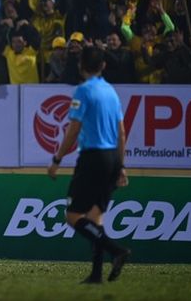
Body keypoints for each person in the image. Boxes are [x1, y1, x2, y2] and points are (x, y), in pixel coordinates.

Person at [47, 46, 131, 284]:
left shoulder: (83, 91)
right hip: (112, 157)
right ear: (103, 66)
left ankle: (116, 250)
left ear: (81, 65)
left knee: (73, 216)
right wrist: (121, 166)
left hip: (93, 157)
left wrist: (57, 160)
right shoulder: (111, 92)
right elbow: (122, 133)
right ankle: (96, 274)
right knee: (95, 217)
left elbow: (73, 129)